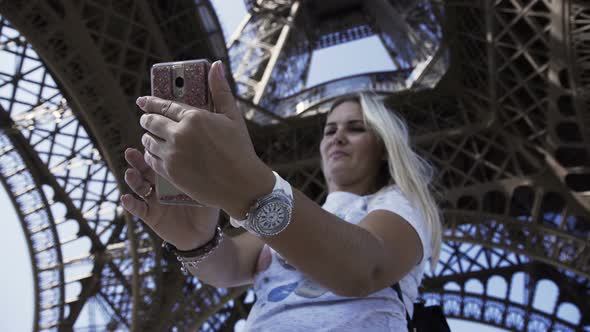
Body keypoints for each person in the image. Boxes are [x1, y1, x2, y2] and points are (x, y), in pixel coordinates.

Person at [120, 60, 442, 331]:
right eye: (329, 130)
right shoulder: (288, 214)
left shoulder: (398, 203)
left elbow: (364, 269)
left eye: (356, 128)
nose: (338, 137)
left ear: (384, 146)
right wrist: (194, 239)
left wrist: (244, 181)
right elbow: (229, 264)